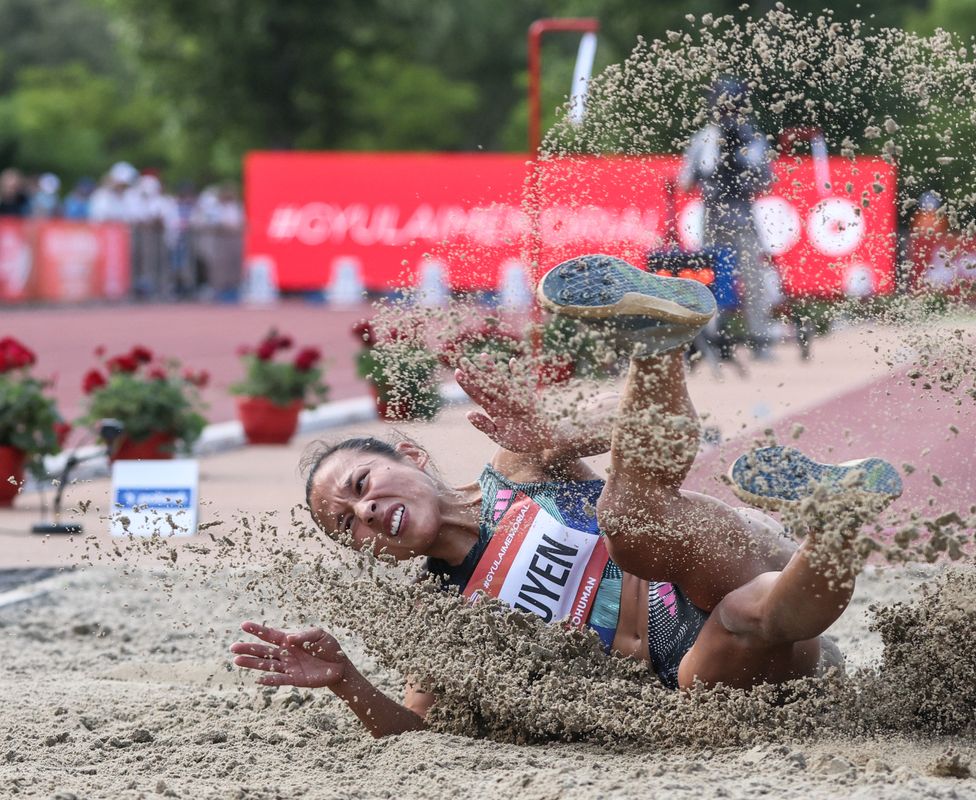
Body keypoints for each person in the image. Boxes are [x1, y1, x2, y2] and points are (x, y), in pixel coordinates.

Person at [231, 254, 895, 738]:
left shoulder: (518, 468)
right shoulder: (437, 620)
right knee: (740, 618)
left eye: (360, 486)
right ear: (371, 553)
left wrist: (559, 437)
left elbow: (671, 437)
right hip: (708, 666)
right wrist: (348, 680)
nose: (365, 513)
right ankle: (839, 524)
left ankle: (658, 346)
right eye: (348, 527)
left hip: (707, 551)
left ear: (409, 456)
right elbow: (418, 733)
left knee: (630, 518)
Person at [678, 76, 776, 357]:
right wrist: (707, 175)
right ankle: (711, 340)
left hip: (742, 218)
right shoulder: (704, 139)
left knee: (754, 281)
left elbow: (766, 179)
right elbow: (686, 180)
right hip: (714, 217)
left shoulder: (751, 139)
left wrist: (743, 171)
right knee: (711, 281)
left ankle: (760, 341)